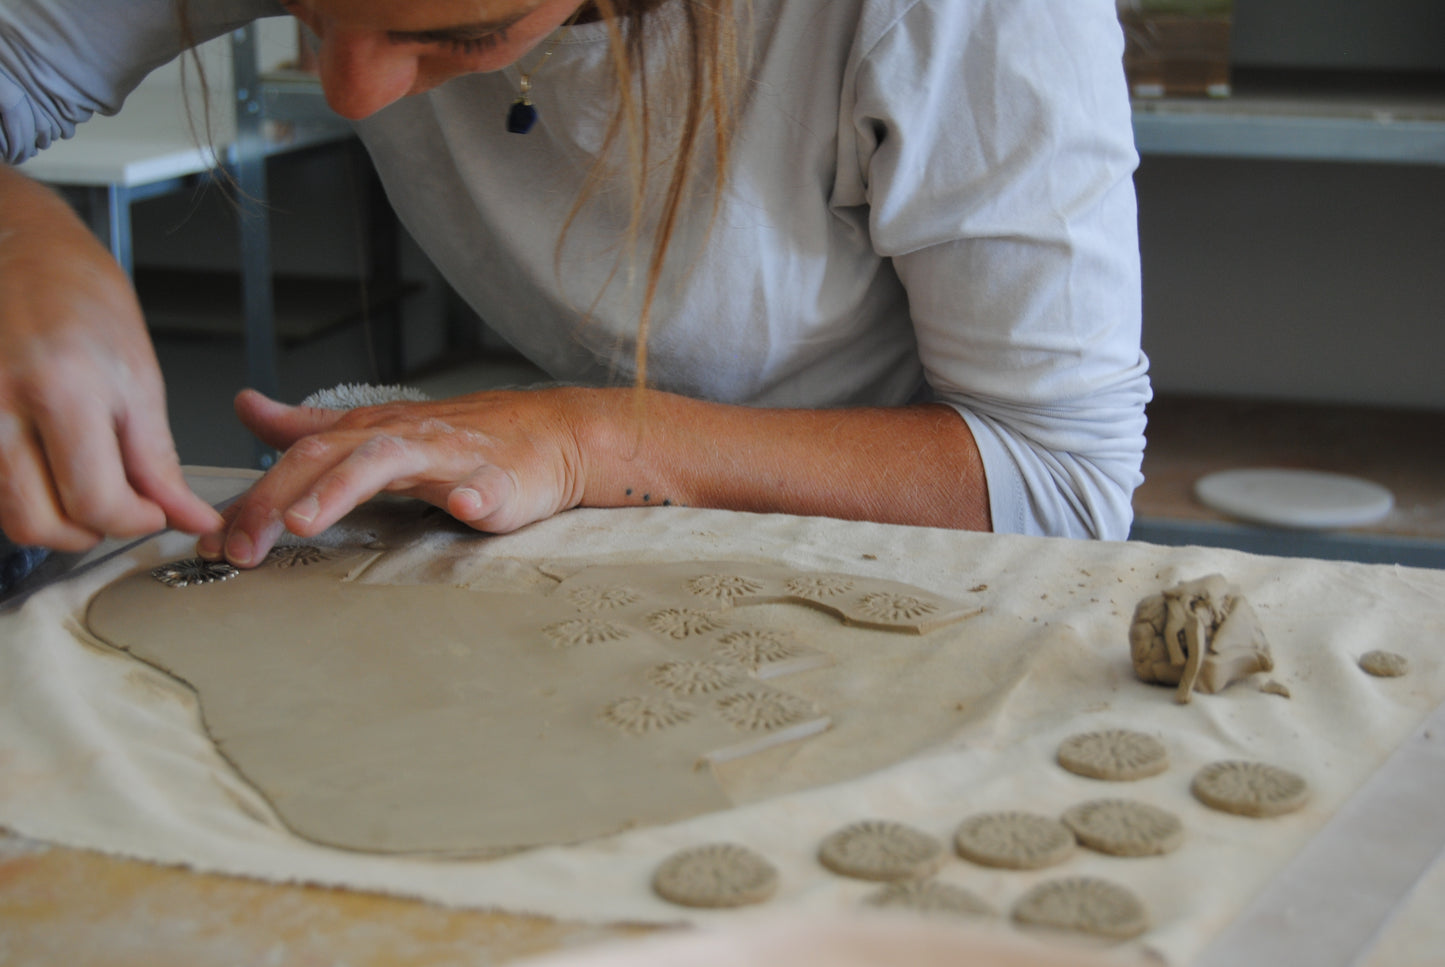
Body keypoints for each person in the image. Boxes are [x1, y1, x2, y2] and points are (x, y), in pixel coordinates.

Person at [0, 0, 1150, 569]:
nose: (348, 92)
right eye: (305, 8)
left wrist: (587, 442)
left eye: (458, 32)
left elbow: (1060, 477)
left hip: (895, 551)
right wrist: (21, 232)